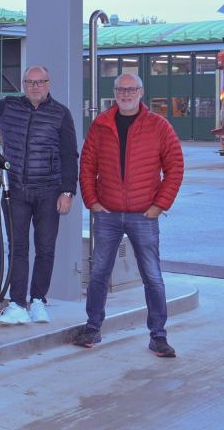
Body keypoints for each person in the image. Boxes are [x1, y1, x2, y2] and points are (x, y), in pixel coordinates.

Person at [75, 73, 183, 357]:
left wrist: (160, 205)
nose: (125, 94)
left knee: (152, 277)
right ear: (115, 92)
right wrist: (93, 202)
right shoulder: (100, 125)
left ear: (141, 92)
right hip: (107, 214)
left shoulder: (159, 126)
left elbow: (175, 168)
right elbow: (86, 166)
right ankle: (92, 328)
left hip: (144, 215)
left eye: (131, 89)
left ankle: (158, 336)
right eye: (121, 89)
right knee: (98, 273)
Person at [0, 66, 78, 325]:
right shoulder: (7, 107)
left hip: (49, 192)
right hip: (17, 190)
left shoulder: (60, 113)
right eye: (30, 82)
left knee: (45, 249)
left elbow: (69, 155)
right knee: (18, 248)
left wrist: (67, 191)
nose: (35, 87)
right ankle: (18, 304)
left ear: (49, 84)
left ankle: (38, 301)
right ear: (23, 84)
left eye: (40, 82)